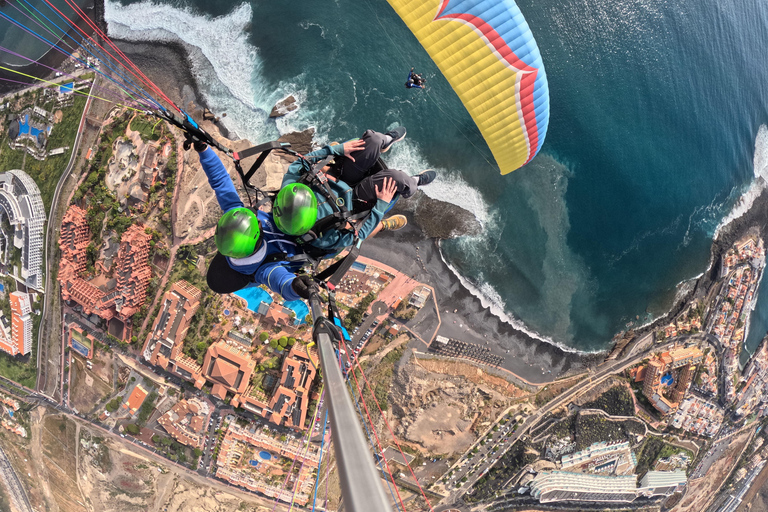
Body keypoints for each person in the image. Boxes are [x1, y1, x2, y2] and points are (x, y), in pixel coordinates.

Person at [192, 140, 314, 300]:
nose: (256, 216)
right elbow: (280, 282)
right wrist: (295, 288)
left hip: (294, 219)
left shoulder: (237, 222)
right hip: (311, 242)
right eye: (256, 221)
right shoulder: (264, 269)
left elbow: (221, 182)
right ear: (256, 235)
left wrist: (203, 150)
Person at [278, 139, 409, 253]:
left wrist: (336, 150)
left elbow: (302, 162)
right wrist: (380, 206)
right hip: (350, 205)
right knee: (356, 225)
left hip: (334, 184)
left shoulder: (288, 191)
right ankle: (383, 225)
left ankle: (380, 144)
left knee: (365, 143)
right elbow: (359, 235)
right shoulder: (321, 239)